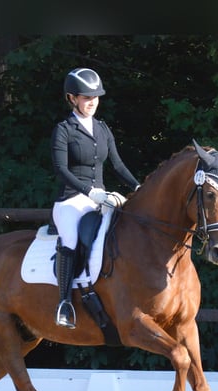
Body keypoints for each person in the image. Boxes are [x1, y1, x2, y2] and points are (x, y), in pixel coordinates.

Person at [50, 67, 140, 328]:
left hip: (100, 197)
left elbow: (118, 165)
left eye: (95, 98)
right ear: (72, 99)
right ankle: (64, 303)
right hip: (70, 200)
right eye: (86, 98)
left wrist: (138, 187)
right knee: (70, 239)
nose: (92, 102)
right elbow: (61, 169)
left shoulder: (102, 129)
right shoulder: (63, 130)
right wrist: (89, 191)